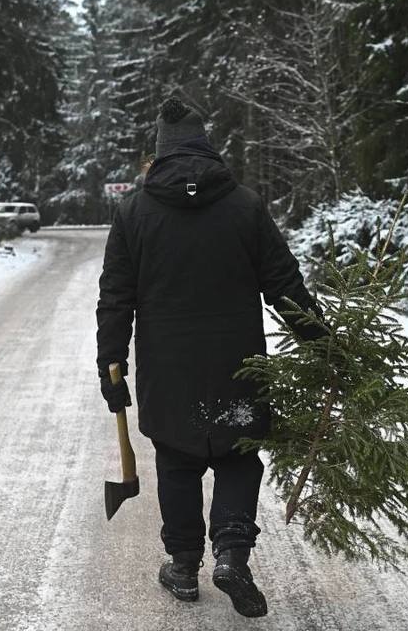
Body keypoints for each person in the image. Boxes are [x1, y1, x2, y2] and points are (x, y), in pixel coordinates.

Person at [95, 96, 324, 618]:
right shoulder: (244, 205)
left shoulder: (134, 212)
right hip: (236, 360)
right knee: (238, 454)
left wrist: (111, 365)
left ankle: (182, 567)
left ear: (159, 151)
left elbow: (116, 298)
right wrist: (321, 341)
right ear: (205, 144)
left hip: (167, 366)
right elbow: (284, 283)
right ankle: (232, 554)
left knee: (177, 459)